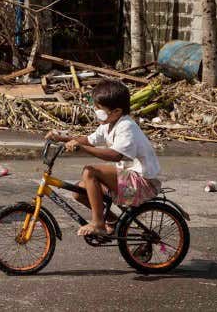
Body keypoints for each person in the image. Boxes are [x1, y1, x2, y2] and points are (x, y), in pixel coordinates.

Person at [45, 80, 161, 237]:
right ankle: (113, 222)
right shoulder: (108, 125)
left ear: (117, 111)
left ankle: (98, 223)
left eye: (99, 109)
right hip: (128, 179)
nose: (95, 111)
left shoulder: (126, 126)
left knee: (90, 171)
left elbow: (116, 155)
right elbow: (88, 140)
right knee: (79, 191)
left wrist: (83, 149)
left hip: (142, 183)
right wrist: (61, 138)